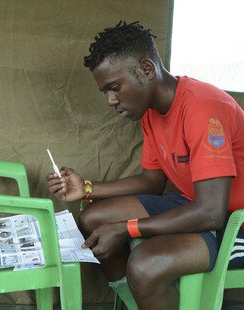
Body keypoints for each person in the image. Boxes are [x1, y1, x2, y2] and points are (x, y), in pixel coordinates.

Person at [47, 21, 244, 310]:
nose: (110, 101)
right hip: (198, 203)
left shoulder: (204, 109)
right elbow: (152, 181)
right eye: (105, 92)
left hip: (234, 218)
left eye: (114, 88)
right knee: (93, 218)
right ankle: (142, 303)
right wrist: (87, 188)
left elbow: (212, 213)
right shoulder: (152, 112)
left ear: (146, 69)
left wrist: (127, 228)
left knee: (144, 265)